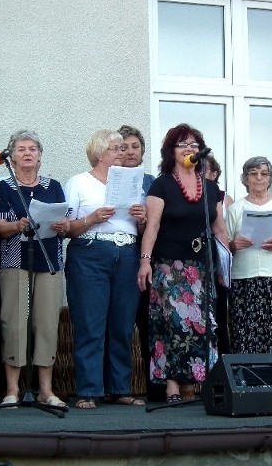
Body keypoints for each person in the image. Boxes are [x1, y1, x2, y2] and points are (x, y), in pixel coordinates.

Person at [137, 123, 229, 404]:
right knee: (173, 324)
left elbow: (220, 230)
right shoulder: (162, 184)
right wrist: (145, 263)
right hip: (169, 266)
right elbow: (151, 227)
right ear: (171, 151)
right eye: (183, 144)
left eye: (194, 145)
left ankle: (196, 385)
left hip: (201, 267)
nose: (189, 149)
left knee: (203, 326)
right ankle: (173, 386)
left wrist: (225, 268)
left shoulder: (211, 188)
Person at [65, 129, 147, 409]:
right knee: (90, 323)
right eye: (117, 148)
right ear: (100, 154)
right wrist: (92, 218)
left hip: (128, 253)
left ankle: (120, 387)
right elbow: (67, 228)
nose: (123, 153)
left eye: (125, 149)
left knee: (122, 324)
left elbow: (144, 227)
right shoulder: (79, 182)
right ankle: (89, 390)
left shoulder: (135, 183)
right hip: (90, 253)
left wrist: (142, 218)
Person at [0, 130, 69, 408]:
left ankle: (46, 390)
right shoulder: (4, 187)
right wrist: (17, 225)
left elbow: (65, 220)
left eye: (33, 149)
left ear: (40, 156)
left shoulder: (53, 185)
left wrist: (63, 226)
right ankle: (12, 389)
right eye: (21, 149)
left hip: (48, 261)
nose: (27, 153)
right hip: (15, 262)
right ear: (11, 157)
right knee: (13, 323)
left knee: (47, 323)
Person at [225, 156, 272, 354]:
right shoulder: (235, 209)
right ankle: (247, 380)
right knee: (244, 332)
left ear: (269, 179)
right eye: (253, 174)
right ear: (245, 179)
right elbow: (223, 248)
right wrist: (234, 244)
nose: (259, 178)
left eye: (264, 174)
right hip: (244, 279)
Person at [118, 124, 163, 402]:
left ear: (143, 152)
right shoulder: (106, 179)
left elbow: (160, 222)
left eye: (135, 146)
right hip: (118, 256)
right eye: (124, 147)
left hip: (148, 259)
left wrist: (145, 220)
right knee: (119, 325)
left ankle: (155, 388)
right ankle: (114, 388)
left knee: (150, 324)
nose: (130, 151)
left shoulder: (152, 182)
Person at [203, 154, 233, 355]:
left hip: (216, 256)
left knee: (219, 314)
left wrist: (224, 267)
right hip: (196, 255)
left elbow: (224, 231)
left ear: (214, 174)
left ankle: (222, 367)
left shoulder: (223, 198)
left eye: (203, 170)